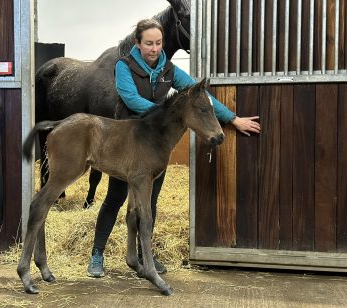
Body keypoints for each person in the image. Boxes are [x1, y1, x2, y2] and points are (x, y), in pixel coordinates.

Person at [87, 19, 261, 277]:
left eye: (158, 43)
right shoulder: (124, 66)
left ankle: (145, 256)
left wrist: (231, 118)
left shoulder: (169, 70)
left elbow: (201, 97)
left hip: (156, 144)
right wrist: (168, 115)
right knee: (116, 196)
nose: (154, 48)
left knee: (150, 202)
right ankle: (97, 254)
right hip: (126, 141)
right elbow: (130, 99)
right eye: (148, 43)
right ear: (138, 43)